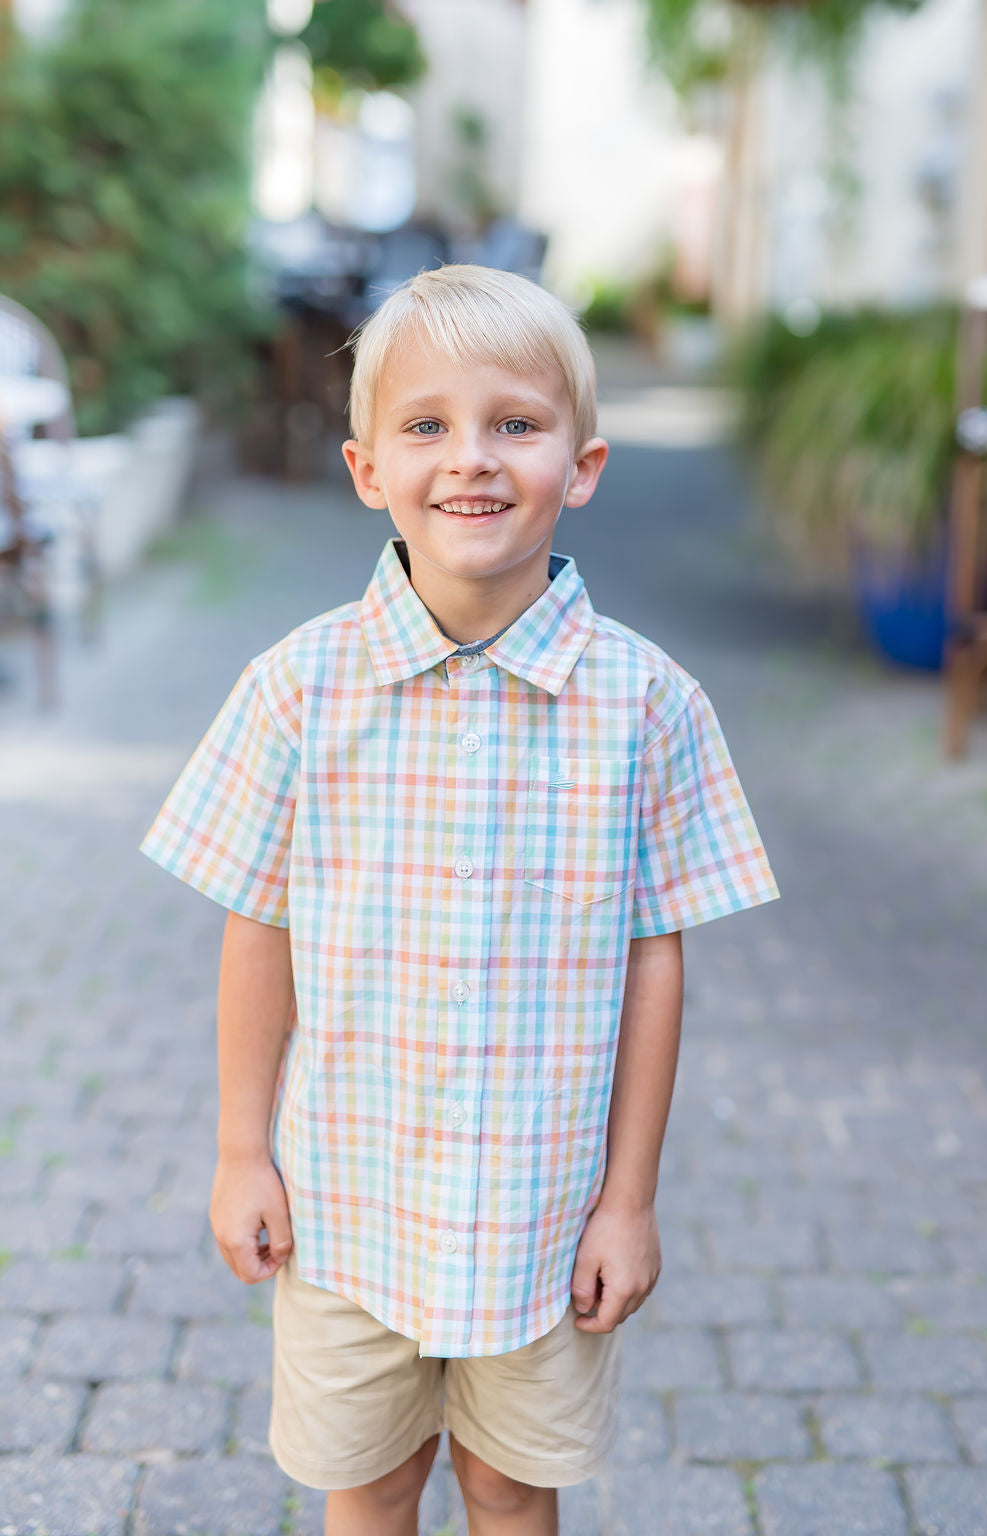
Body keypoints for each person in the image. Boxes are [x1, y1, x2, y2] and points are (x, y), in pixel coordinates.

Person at [140, 265, 779, 1536]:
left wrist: (629, 1199)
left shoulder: (648, 706)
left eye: (515, 424)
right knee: (368, 1485)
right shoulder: (295, 690)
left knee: (507, 1485)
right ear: (367, 466)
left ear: (582, 465)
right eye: (425, 425)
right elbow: (256, 925)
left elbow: (657, 962)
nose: (470, 460)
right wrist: (237, 1153)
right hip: (346, 1207)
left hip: (540, 1218)